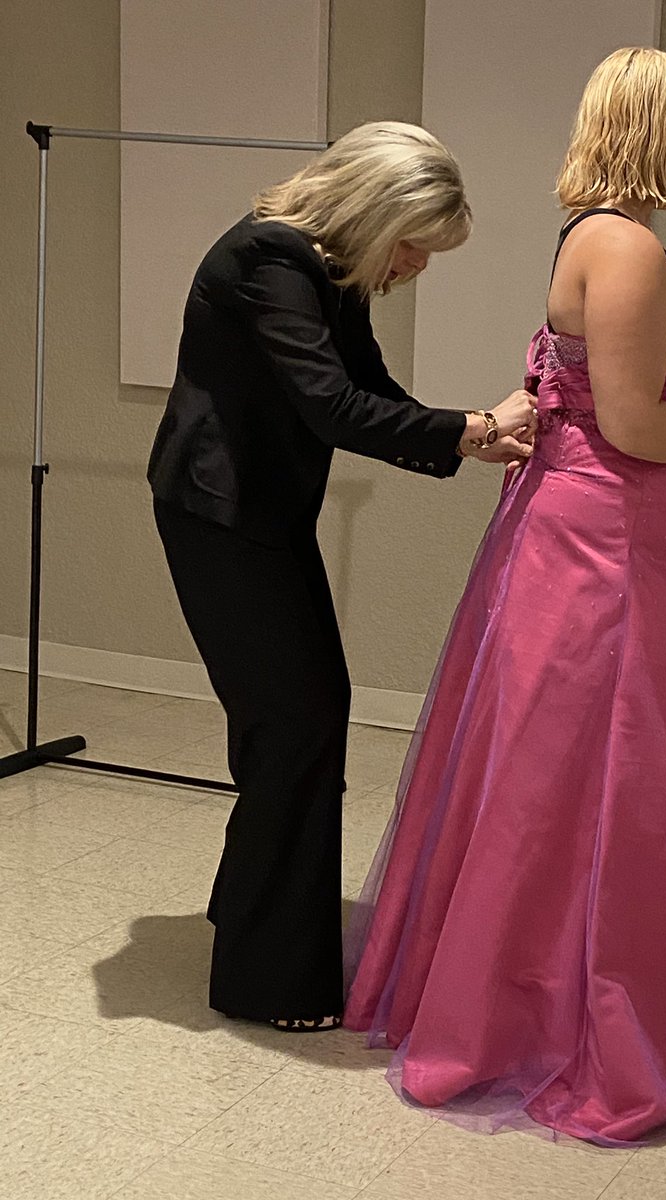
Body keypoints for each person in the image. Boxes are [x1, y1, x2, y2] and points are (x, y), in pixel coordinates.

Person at [343, 47, 666, 1147]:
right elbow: (629, 423)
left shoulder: (614, 241)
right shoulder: (619, 244)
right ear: (652, 126)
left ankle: (586, 985)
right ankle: (572, 1009)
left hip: (625, 544)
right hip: (611, 546)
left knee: (604, 769)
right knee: (600, 771)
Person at [147, 122, 537, 1032]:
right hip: (219, 516)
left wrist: (471, 437)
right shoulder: (267, 259)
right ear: (377, 213)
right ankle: (263, 978)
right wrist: (474, 428)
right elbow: (330, 406)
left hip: (261, 516)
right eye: (417, 242)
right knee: (300, 720)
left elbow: (375, 392)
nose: (419, 264)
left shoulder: (326, 272)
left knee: (292, 721)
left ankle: (251, 915)